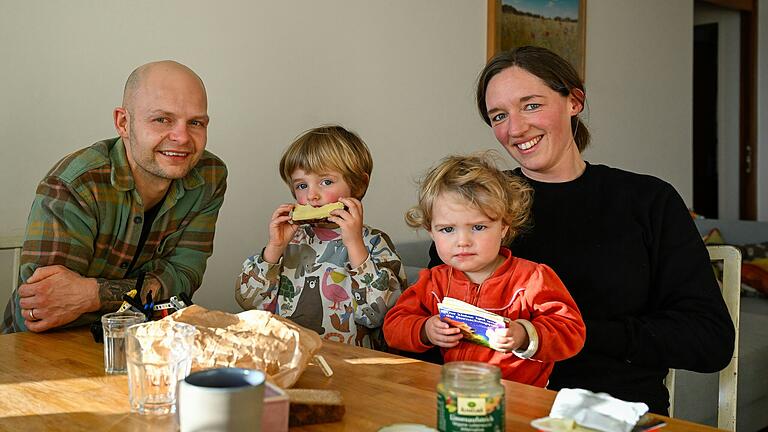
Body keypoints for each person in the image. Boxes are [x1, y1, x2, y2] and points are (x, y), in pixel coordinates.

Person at [428, 46, 735, 413]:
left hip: (613, 412)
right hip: (493, 407)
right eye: (498, 116)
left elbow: (709, 340)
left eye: (531, 105)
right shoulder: (478, 207)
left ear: (574, 101)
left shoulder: (647, 200)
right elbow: (435, 315)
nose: (515, 129)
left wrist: (564, 332)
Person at [2, 60, 228, 333]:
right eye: (162, 119)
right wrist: (150, 290)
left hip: (142, 344)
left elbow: (185, 279)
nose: (181, 137)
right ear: (123, 122)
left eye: (195, 122)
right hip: (39, 350)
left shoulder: (209, 177)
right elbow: (44, 306)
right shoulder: (76, 185)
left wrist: (90, 294)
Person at [384, 153, 586, 386]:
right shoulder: (433, 282)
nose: (463, 241)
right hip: (457, 390)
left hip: (521, 395)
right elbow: (393, 326)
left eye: (478, 227)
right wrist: (425, 330)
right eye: (447, 230)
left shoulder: (533, 278)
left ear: (504, 227)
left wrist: (523, 334)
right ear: (431, 232)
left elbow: (572, 332)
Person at [236, 125, 405, 349]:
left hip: (353, 364)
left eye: (326, 182)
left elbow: (378, 315)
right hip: (290, 356)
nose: (312, 195)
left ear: (359, 184)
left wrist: (355, 244)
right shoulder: (291, 241)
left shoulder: (374, 243)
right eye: (302, 185)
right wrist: (274, 248)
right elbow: (249, 303)